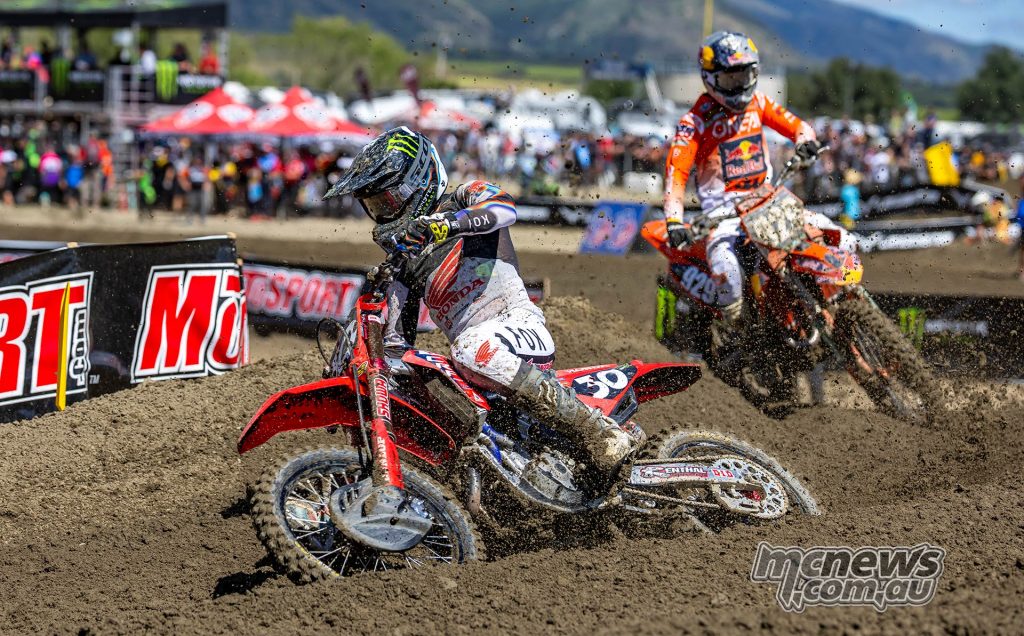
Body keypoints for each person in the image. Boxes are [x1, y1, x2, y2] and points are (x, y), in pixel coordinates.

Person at [324, 127, 638, 487]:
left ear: (417, 181)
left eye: (387, 201)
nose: (383, 213)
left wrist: (445, 225)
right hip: (479, 356)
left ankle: (598, 431)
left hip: (517, 325)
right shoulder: (405, 262)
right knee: (412, 381)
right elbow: (395, 346)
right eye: (374, 207)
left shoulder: (464, 199)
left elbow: (504, 208)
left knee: (469, 348)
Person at [663, 31, 855, 324]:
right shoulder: (694, 122)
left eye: (745, 75)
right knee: (729, 283)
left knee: (843, 240)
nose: (740, 85)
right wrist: (674, 221)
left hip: (769, 200)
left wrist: (805, 143)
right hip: (723, 216)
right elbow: (675, 175)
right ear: (711, 77)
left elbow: (798, 126)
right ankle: (742, 336)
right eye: (731, 78)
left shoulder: (759, 103)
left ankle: (846, 308)